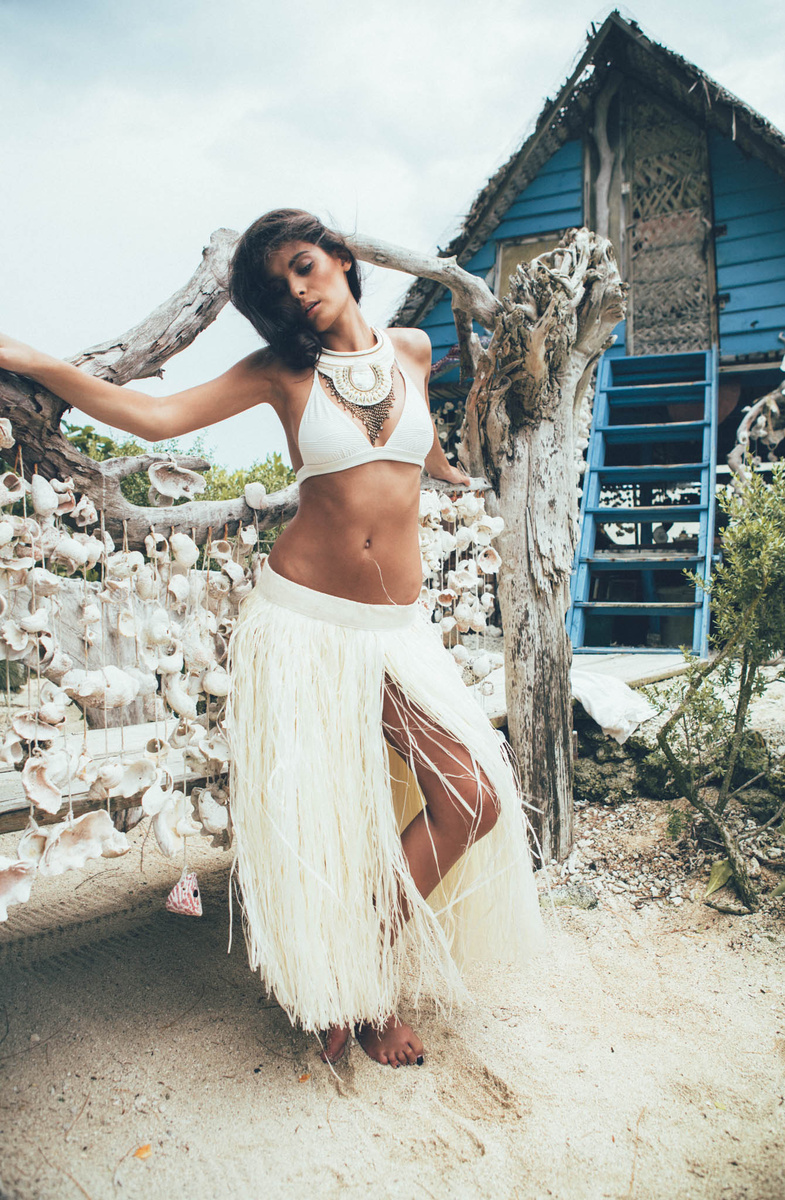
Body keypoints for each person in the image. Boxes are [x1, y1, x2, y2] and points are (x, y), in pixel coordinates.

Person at [0, 209, 545, 1069]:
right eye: (277, 288)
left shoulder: (410, 350)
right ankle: (351, 990)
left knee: (469, 797)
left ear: (341, 257)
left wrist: (449, 472)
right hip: (302, 625)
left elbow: (420, 446)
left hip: (395, 628)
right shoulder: (278, 372)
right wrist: (33, 360)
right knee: (335, 814)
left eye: (304, 266)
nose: (297, 291)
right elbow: (155, 418)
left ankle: (357, 966)